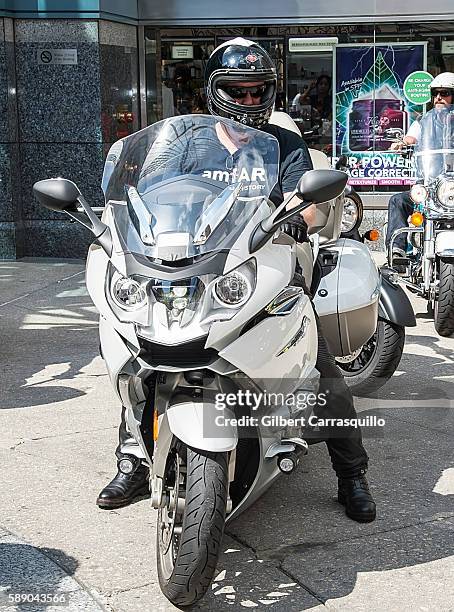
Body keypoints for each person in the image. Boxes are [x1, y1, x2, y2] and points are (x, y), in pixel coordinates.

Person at [97, 38, 376, 524]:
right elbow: (147, 192)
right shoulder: (185, 143)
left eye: (257, 91)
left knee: (322, 370)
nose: (249, 102)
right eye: (238, 92)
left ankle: (351, 474)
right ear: (215, 92)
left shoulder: (283, 143)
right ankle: (133, 459)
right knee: (137, 352)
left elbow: (308, 203)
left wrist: (299, 219)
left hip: (268, 264)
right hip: (196, 266)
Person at [385, 72, 454, 259]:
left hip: (451, 187)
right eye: (436, 93)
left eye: (445, 93)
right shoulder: (423, 121)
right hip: (430, 185)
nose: (439, 97)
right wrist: (402, 143)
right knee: (398, 201)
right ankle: (397, 250)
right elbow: (411, 137)